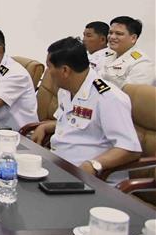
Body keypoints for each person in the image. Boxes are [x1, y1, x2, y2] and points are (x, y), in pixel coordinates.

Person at [31, 37, 141, 178]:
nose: (48, 72)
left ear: (65, 70)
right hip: (58, 166)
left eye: (49, 67)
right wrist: (44, 127)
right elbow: (71, 122)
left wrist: (94, 164)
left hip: (89, 180)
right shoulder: (65, 90)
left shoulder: (108, 98)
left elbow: (130, 148)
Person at [100, 16, 155, 87]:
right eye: (110, 33)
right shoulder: (109, 54)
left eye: (119, 34)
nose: (112, 37)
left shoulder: (142, 63)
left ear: (133, 38)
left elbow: (133, 94)